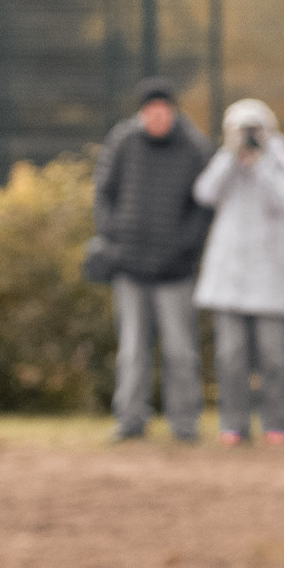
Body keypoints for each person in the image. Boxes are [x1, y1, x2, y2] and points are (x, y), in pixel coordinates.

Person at [93, 78, 213, 442]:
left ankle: (185, 422)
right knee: (131, 349)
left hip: (174, 270)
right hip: (129, 267)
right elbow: (104, 192)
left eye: (162, 111)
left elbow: (203, 207)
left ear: (172, 112)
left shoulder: (195, 147)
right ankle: (130, 420)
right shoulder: (123, 141)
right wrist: (114, 239)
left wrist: (184, 248)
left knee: (180, 350)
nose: (156, 118)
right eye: (150, 112)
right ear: (142, 113)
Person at [193, 99, 284, 444]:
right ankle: (233, 424)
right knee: (230, 357)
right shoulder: (226, 161)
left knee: (274, 357)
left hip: (269, 278)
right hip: (230, 278)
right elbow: (205, 193)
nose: (250, 137)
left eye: (255, 130)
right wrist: (231, 158)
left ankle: (277, 424)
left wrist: (260, 165)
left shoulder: (282, 160)